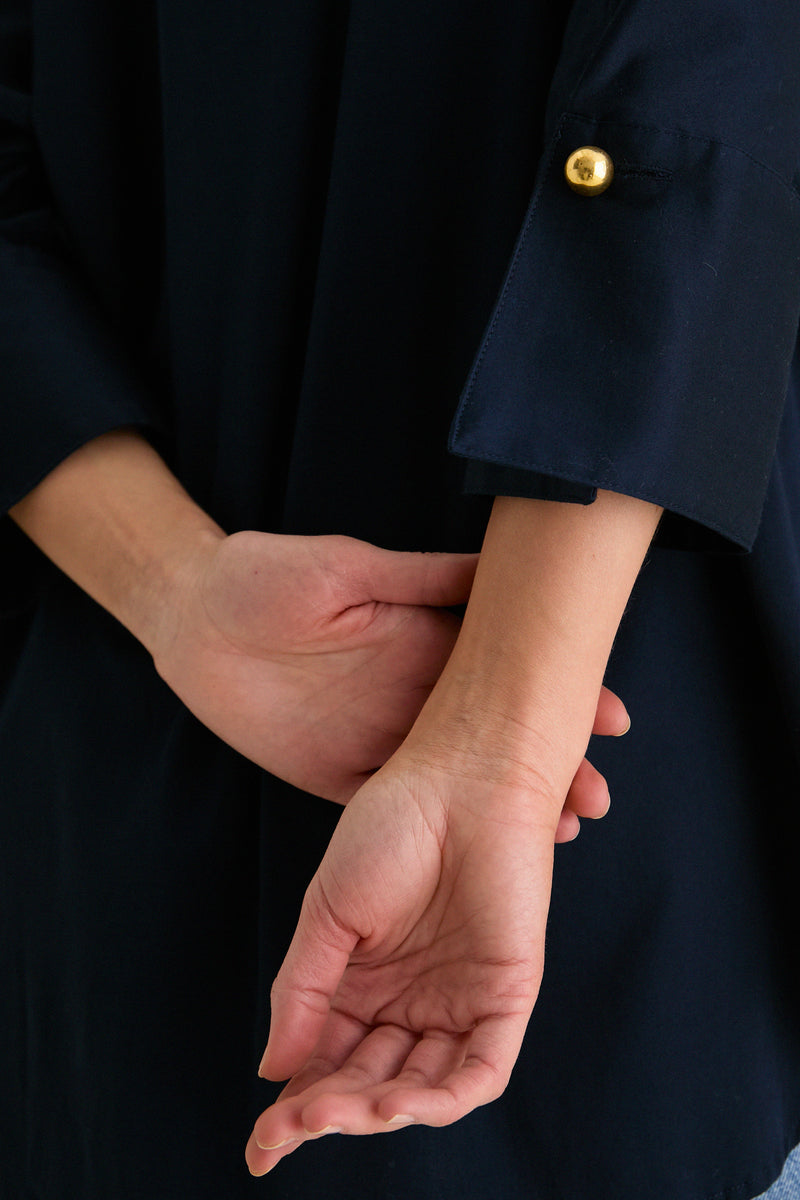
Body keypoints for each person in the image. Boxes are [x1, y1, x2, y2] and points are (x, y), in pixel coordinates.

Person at [1, 2, 799, 1198]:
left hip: (165, 741)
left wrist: (179, 588)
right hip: (527, 708)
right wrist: (496, 739)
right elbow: (699, 89)